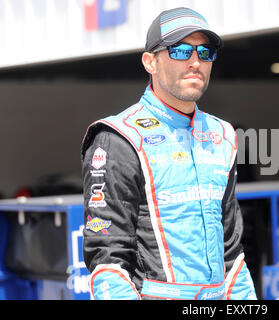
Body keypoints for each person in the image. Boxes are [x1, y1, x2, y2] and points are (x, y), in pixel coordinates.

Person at [81, 7, 257, 300]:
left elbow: (231, 250)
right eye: (180, 51)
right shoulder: (119, 138)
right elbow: (108, 261)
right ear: (150, 61)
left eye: (205, 52)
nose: (195, 62)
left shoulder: (223, 136)